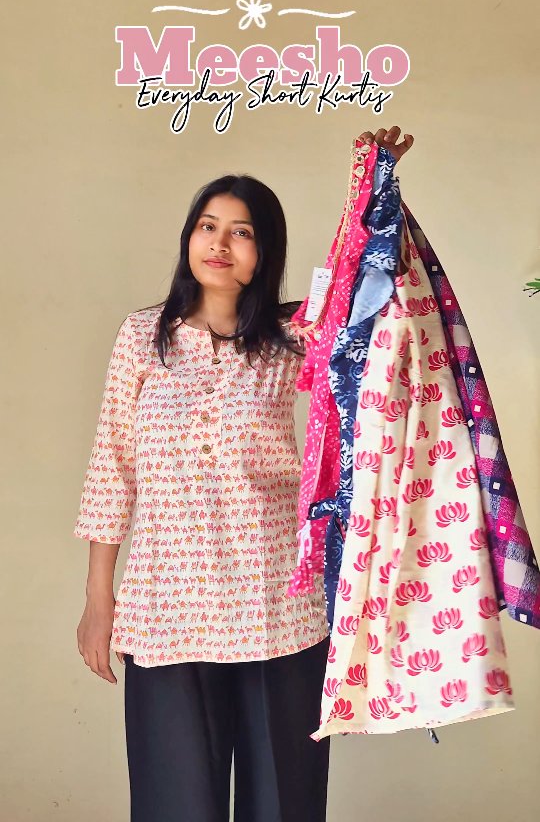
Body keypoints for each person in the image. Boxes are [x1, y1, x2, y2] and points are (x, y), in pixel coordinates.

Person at [74, 126, 414, 822]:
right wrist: (99, 599)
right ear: (189, 238)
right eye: (207, 226)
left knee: (284, 803)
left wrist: (375, 183)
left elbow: (368, 286)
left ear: (265, 253)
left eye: (242, 232)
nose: (220, 244)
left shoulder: (294, 339)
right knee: (176, 804)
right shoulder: (143, 337)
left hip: (277, 606)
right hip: (167, 607)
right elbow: (113, 468)